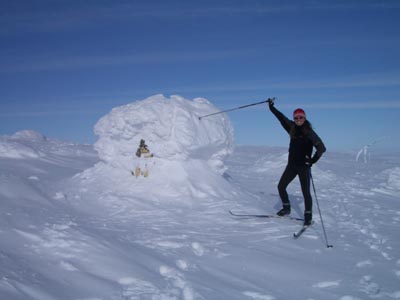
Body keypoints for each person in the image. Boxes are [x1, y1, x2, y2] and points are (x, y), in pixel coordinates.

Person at [267, 99, 326, 226]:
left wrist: (312, 161)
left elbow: (322, 148)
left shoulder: (310, 132)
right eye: (296, 117)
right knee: (281, 186)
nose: (299, 119)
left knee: (305, 193)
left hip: (303, 167)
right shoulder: (292, 128)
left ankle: (308, 215)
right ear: (294, 119)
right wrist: (271, 108)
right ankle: (286, 208)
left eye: (301, 117)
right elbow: (281, 118)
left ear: (304, 118)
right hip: (292, 166)